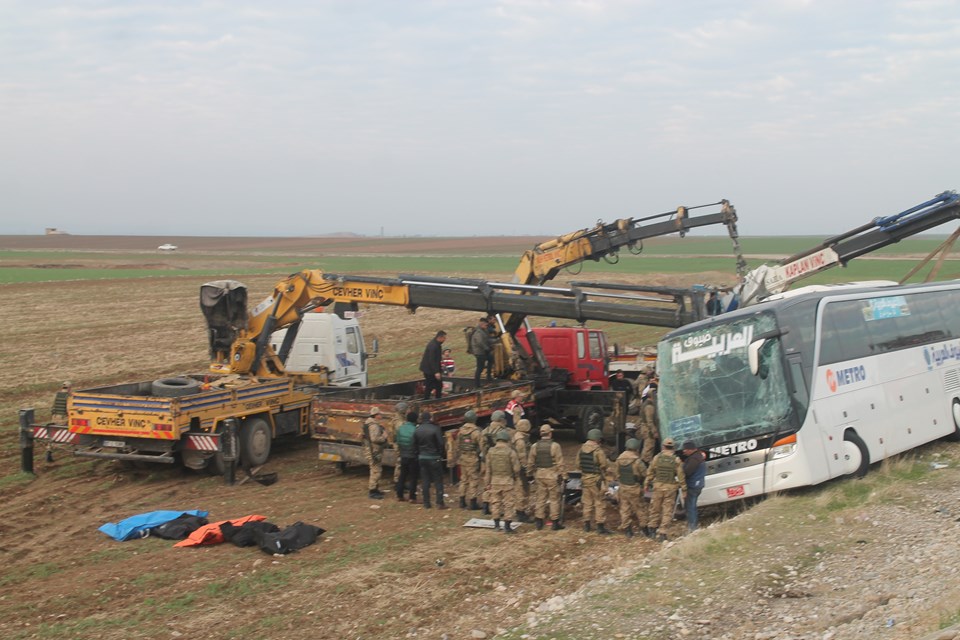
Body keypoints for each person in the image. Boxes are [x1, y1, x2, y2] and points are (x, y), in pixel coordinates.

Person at [645, 437, 687, 541]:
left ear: (663, 446)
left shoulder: (657, 458)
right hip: (670, 489)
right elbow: (681, 476)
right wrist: (684, 490)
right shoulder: (676, 460)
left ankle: (652, 529)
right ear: (673, 447)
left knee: (655, 509)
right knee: (667, 511)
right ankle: (663, 533)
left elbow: (650, 472)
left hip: (658, 487)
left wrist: (646, 484)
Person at [528, 424, 566, 531]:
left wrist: (529, 474)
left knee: (540, 498)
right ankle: (555, 522)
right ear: (550, 433)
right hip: (552, 475)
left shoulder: (534, 446)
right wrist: (564, 476)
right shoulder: (555, 446)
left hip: (539, 475)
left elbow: (530, 462)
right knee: (554, 499)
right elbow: (560, 463)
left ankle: (539, 522)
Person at [576, 428, 612, 534]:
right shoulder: (598, 451)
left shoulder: (581, 449)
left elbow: (577, 465)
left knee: (587, 503)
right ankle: (600, 526)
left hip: (585, 479)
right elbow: (604, 465)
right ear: (597, 439)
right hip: (596, 480)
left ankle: (586, 525)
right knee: (599, 502)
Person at [484, 430, 520, 534]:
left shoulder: (490, 451)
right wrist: (515, 477)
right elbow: (516, 469)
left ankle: (496, 525)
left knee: (495, 502)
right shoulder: (511, 452)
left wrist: (487, 483)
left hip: (494, 481)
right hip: (507, 481)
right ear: (507, 439)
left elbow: (488, 470)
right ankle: (507, 527)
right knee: (508, 503)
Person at [615, 438, 648, 538]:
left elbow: (617, 474)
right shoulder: (637, 461)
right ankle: (644, 529)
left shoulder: (619, 459)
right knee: (640, 509)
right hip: (634, 488)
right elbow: (645, 473)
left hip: (623, 488)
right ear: (636, 449)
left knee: (624, 509)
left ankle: (628, 531)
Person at [413, 411, 447, 509]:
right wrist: (440, 454)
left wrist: (418, 454)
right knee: (438, 480)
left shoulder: (417, 429)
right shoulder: (435, 429)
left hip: (422, 457)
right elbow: (441, 444)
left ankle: (426, 503)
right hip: (434, 457)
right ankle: (440, 503)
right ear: (430, 418)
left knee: (425, 480)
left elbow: (414, 445)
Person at [479, 410, 510, 515]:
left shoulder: (485, 430)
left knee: (487, 482)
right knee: (499, 484)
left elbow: (481, 446)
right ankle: (498, 508)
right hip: (499, 459)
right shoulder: (502, 430)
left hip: (487, 458)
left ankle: (485, 505)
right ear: (501, 419)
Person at [452, 410, 483, 510]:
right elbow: (482, 446)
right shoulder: (476, 432)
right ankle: (473, 502)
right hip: (472, 458)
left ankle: (462, 501)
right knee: (473, 479)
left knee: (463, 479)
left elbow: (457, 445)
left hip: (463, 457)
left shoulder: (460, 431)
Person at [362, 407, 389, 499]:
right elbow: (375, 439)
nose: (381, 416)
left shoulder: (369, 423)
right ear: (376, 415)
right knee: (376, 471)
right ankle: (372, 491)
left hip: (372, 450)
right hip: (374, 451)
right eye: (379, 414)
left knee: (374, 470)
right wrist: (384, 437)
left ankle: (375, 489)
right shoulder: (373, 425)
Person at [394, 410, 420, 502]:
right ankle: (412, 497)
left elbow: (397, 441)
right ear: (415, 420)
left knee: (402, 476)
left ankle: (399, 495)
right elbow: (417, 443)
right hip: (413, 456)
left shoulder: (401, 428)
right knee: (413, 477)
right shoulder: (416, 430)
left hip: (403, 454)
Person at [681, 440, 707, 531]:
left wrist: (681, 467)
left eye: (685, 449)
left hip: (693, 486)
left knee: (690, 507)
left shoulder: (693, 459)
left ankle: (693, 528)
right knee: (692, 506)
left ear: (690, 450)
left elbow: (687, 472)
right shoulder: (698, 456)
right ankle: (694, 526)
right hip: (698, 485)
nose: (683, 451)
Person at [511, 418, 533, 522]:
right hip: (520, 469)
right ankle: (520, 512)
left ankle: (521, 510)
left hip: (519, 468)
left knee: (522, 489)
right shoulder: (520, 440)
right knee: (521, 490)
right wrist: (527, 471)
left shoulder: (520, 437)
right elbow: (522, 457)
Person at [419, 330, 447, 399]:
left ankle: (436, 398)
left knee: (438, 385)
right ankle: (427, 400)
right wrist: (436, 372)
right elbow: (432, 360)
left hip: (431, 369)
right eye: (444, 338)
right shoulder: (433, 346)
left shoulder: (436, 344)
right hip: (429, 370)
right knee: (430, 386)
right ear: (440, 337)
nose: (445, 340)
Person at [638, 383, 660, 464]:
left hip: (646, 428)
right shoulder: (649, 406)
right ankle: (644, 465)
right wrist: (654, 432)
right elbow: (650, 421)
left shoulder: (647, 404)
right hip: (648, 430)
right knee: (648, 448)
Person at [470, 317, 494, 386]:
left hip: (484, 351)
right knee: (480, 368)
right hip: (479, 352)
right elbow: (480, 342)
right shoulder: (478, 332)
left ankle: (488, 377)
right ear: (481, 324)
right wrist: (487, 348)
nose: (487, 326)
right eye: (486, 325)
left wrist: (493, 342)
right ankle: (477, 384)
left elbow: (487, 339)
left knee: (491, 359)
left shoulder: (484, 330)